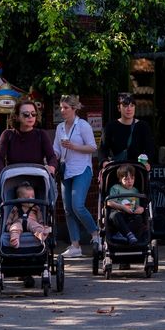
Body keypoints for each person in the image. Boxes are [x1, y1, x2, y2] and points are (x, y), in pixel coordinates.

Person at [51, 94, 98, 259]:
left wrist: (74, 146)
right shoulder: (60, 128)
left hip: (82, 169)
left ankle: (95, 234)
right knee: (68, 209)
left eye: (65, 108)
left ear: (74, 109)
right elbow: (56, 149)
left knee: (78, 205)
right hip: (66, 169)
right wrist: (50, 159)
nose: (62, 111)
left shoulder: (83, 126)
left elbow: (93, 148)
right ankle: (75, 245)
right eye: (61, 108)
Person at [0, 99, 58, 177]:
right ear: (17, 117)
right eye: (26, 114)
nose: (30, 116)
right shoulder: (7, 134)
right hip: (13, 179)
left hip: (37, 179)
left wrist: (52, 167)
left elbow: (51, 157)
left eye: (33, 114)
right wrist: (2, 173)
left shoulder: (41, 134)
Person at [100, 92, 155, 166]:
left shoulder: (143, 126)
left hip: (138, 167)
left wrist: (147, 162)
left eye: (132, 105)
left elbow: (150, 148)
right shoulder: (110, 126)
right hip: (117, 167)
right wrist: (104, 162)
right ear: (119, 108)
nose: (129, 109)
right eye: (125, 105)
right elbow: (103, 148)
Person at [105, 163, 149, 244]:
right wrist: (122, 207)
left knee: (139, 218)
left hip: (130, 216)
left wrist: (140, 209)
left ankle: (120, 235)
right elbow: (109, 202)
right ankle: (129, 235)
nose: (130, 181)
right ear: (120, 179)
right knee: (115, 215)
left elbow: (137, 205)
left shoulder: (135, 190)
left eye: (132, 178)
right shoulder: (116, 188)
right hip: (118, 214)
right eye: (126, 179)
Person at [4, 180, 52, 248]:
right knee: (14, 228)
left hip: (32, 221)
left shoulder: (36, 208)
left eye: (33, 197)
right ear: (19, 199)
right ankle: (14, 240)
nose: (30, 199)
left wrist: (41, 224)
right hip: (18, 221)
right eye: (27, 198)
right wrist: (8, 225)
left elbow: (40, 217)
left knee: (36, 226)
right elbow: (10, 217)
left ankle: (41, 234)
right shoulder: (16, 207)